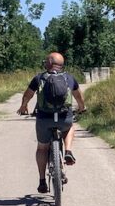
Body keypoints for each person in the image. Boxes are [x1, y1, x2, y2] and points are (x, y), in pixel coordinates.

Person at [16, 52, 85, 194]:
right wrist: (82, 107)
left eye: (46, 61)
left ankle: (42, 181)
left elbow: (28, 94)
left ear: (49, 63)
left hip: (44, 119)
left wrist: (23, 106)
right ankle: (68, 151)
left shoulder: (39, 78)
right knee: (69, 128)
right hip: (64, 118)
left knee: (42, 148)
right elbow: (78, 96)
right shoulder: (69, 78)